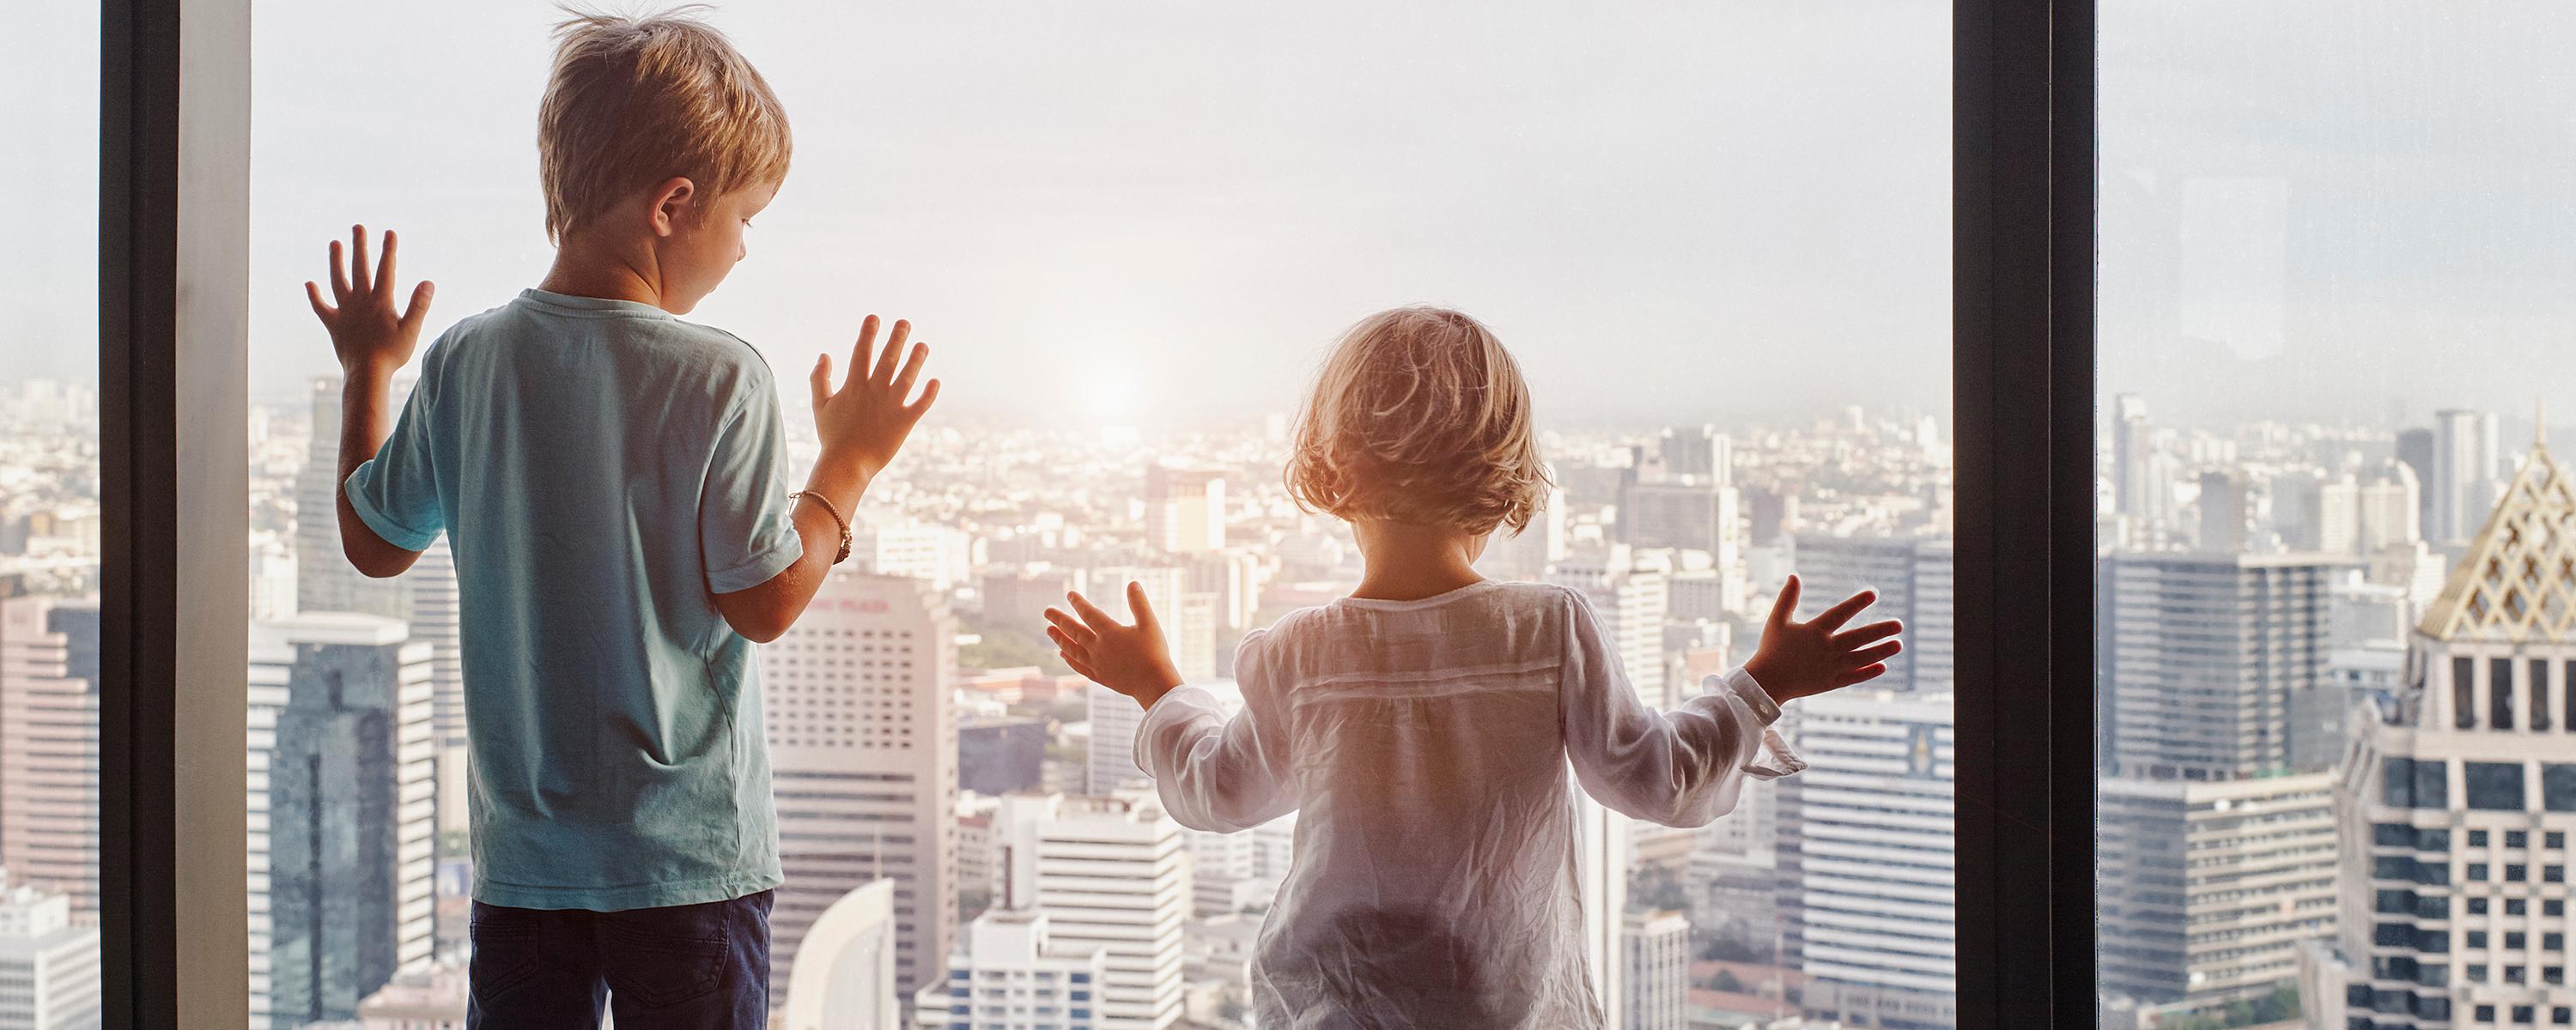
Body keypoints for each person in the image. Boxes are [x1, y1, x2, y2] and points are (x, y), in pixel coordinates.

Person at [301, 10, 939, 1027]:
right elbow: (767, 598)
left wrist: (367, 371)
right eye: (744, 218)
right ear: (673, 206)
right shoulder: (719, 375)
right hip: (685, 867)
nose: (742, 251)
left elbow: (373, 540)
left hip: (523, 874)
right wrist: (850, 464)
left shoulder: (466, 361)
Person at [1044, 306, 1899, 1029]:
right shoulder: (1547, 630)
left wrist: (1153, 683)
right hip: (1507, 1007)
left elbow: (1219, 790)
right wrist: (1761, 686)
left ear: (1334, 466)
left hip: (1334, 1007)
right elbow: (1658, 781)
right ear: (1502, 475)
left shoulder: (1299, 653)